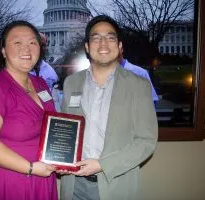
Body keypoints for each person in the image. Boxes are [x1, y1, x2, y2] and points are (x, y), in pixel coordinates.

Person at [59, 15, 158, 200]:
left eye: (110, 37)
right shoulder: (71, 83)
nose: (103, 43)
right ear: (87, 47)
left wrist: (103, 164)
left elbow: (147, 141)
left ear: (120, 46)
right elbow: (66, 130)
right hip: (74, 186)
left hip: (116, 185)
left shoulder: (139, 85)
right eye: (96, 38)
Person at [0, 20, 58, 200]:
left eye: (32, 42)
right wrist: (31, 168)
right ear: (3, 51)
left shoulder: (40, 84)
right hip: (10, 181)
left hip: (43, 176)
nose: (27, 49)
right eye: (17, 43)